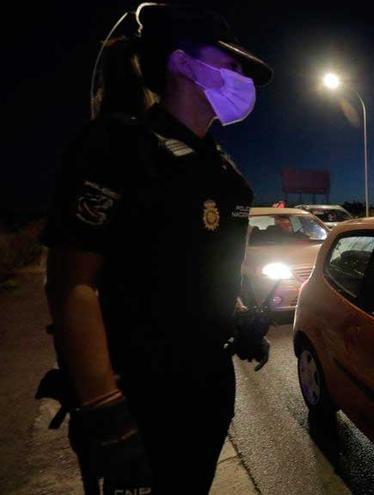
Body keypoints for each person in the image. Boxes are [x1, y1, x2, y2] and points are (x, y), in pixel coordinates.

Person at [41, 4, 272, 493]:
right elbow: (72, 284)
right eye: (230, 65)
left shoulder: (227, 176)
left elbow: (200, 272)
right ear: (183, 64)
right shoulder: (119, 147)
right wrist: (105, 409)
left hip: (207, 388)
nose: (241, 78)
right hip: (139, 398)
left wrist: (238, 314)